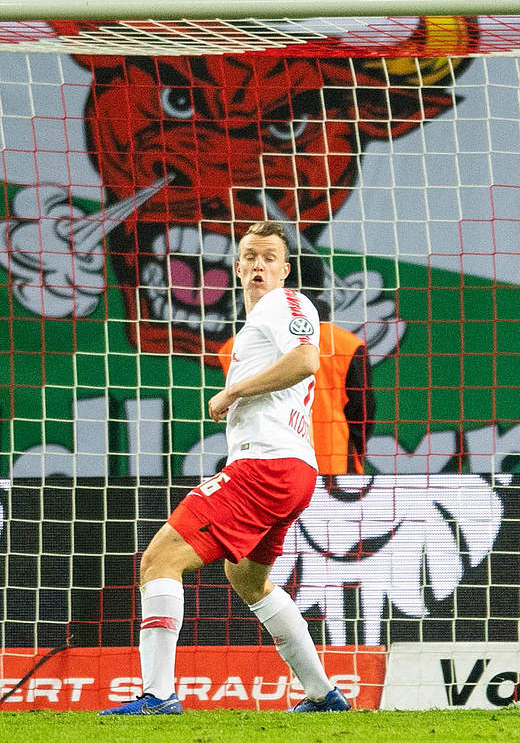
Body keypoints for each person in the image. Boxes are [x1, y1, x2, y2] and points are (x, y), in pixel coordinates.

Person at [101, 222, 350, 715]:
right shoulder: (256, 324)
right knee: (249, 580)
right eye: (250, 256)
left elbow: (306, 361)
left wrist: (233, 390)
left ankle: (157, 697)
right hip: (288, 470)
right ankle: (324, 695)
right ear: (236, 267)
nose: (258, 264)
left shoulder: (287, 304)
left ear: (285, 268)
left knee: (159, 561)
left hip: (268, 465)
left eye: (269, 257)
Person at [220, 321, 374, 475]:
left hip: (262, 463)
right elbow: (362, 414)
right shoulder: (346, 344)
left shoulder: (237, 346)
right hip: (331, 464)